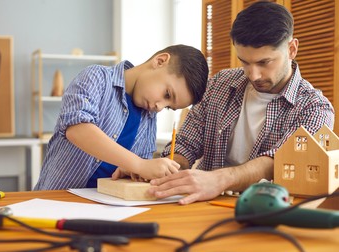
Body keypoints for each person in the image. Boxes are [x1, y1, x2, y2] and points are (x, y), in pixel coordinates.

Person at [148, 1, 335, 205]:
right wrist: (167, 167)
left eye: (264, 63)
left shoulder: (315, 109)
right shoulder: (220, 83)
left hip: (266, 211)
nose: (253, 75)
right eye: (245, 62)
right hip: (202, 205)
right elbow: (186, 144)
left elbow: (278, 162)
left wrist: (220, 180)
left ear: (291, 49)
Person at [34, 44, 209, 190]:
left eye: (168, 107)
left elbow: (137, 167)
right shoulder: (96, 78)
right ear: (160, 61)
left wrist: (136, 172)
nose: (159, 106)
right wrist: (139, 165)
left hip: (107, 207)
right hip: (56, 200)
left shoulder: (149, 118)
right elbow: (78, 129)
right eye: (167, 94)